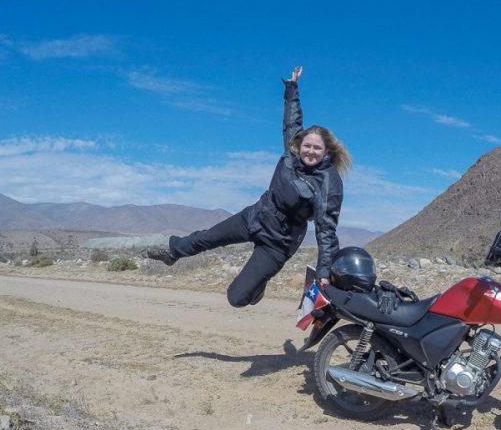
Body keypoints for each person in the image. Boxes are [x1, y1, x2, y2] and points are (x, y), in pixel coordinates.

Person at [145, 66, 349, 306]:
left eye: (317, 148)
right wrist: (292, 88)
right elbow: (292, 121)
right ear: (300, 144)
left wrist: (324, 272)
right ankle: (172, 252)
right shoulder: (291, 152)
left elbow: (326, 231)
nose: (310, 151)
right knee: (206, 237)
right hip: (255, 216)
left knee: (237, 298)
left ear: (326, 151)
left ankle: (256, 286)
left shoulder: (329, 182)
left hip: (279, 242)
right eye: (308, 145)